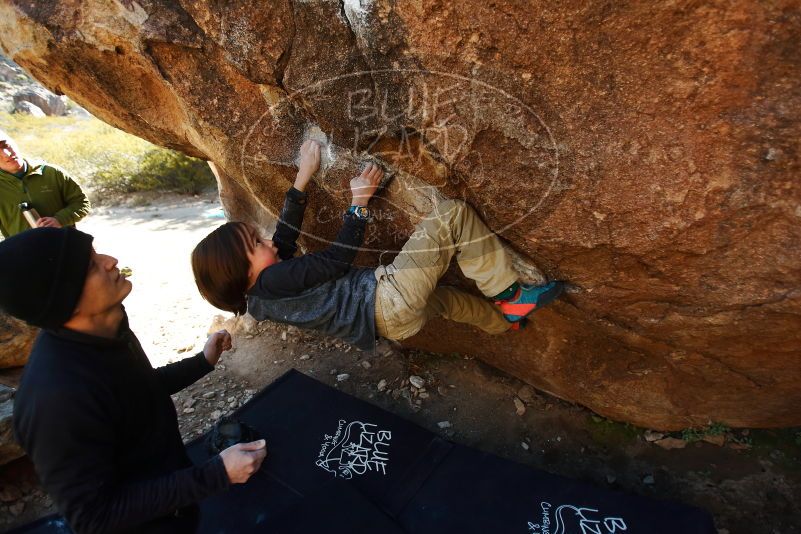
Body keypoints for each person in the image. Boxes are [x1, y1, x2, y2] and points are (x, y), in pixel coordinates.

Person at [0, 227, 267, 534]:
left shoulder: (109, 324)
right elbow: (94, 516)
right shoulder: (57, 399)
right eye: (90, 265)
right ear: (64, 299)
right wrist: (217, 474)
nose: (111, 261)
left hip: (173, 501)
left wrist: (202, 362)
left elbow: (134, 391)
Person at [191, 139, 563, 353]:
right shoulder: (274, 282)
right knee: (452, 215)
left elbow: (285, 236)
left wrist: (304, 174)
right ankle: (509, 294)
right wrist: (359, 202)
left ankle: (504, 323)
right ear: (244, 274)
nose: (268, 241)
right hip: (389, 298)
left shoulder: (262, 296)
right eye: (257, 244)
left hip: (392, 324)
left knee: (448, 302)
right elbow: (336, 260)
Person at [0, 129, 90, 237]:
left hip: (65, 245)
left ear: (14, 142)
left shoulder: (52, 173)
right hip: (24, 252)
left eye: (6, 145)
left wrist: (59, 220)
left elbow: (81, 203)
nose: (6, 154)